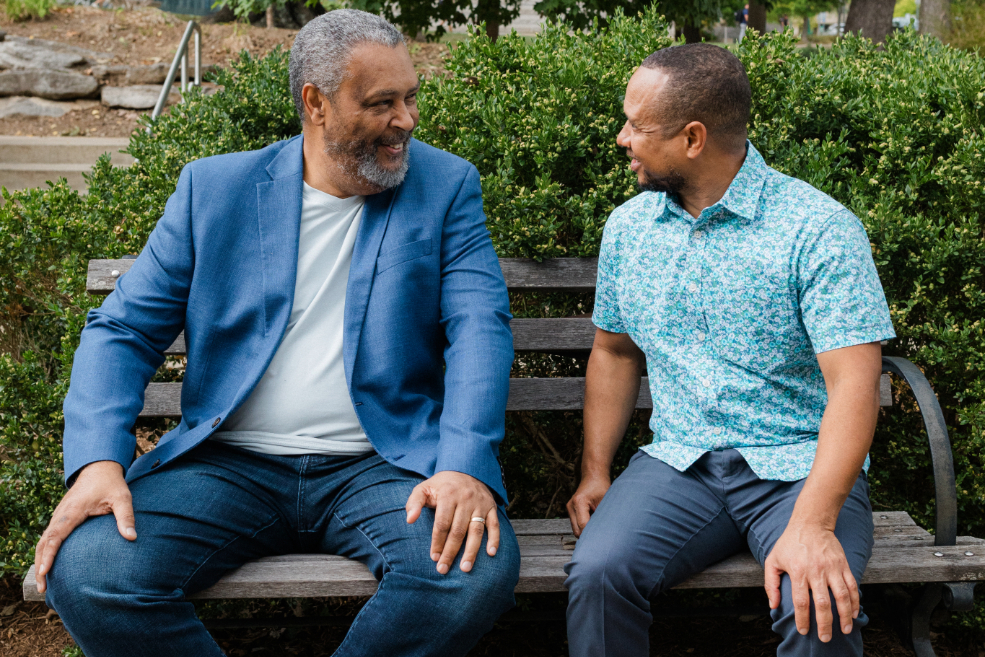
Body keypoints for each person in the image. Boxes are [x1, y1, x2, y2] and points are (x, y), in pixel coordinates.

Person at [34, 10, 520, 657]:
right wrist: (98, 461)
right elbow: (122, 329)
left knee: (468, 571)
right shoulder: (215, 189)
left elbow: (478, 329)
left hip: (384, 466)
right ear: (315, 103)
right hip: (229, 463)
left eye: (410, 97)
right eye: (382, 103)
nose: (406, 119)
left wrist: (462, 464)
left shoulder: (445, 185)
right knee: (94, 573)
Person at [563, 43, 895, 657]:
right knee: (598, 574)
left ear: (693, 138)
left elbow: (854, 383)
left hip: (799, 468)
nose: (621, 137)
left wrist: (816, 524)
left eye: (638, 125)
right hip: (680, 462)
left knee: (815, 600)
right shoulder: (629, 229)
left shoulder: (817, 229)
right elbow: (614, 353)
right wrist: (596, 470)